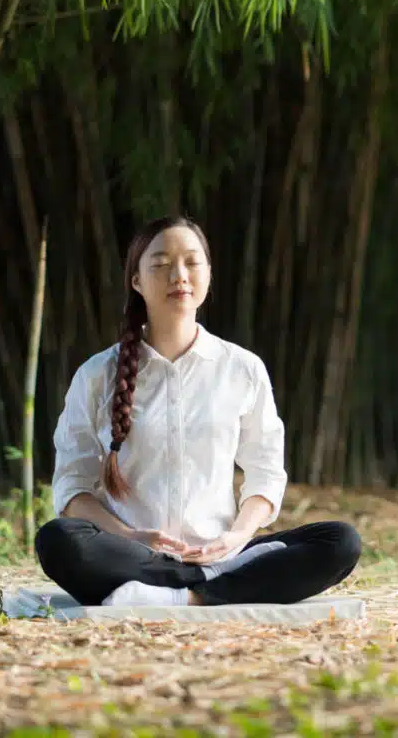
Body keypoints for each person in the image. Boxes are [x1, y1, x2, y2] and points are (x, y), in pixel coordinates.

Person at [35, 215, 362, 607]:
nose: (179, 275)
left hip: (225, 556)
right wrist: (131, 536)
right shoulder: (96, 375)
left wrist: (237, 537)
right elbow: (73, 489)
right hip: (133, 556)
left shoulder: (243, 369)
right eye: (160, 264)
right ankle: (210, 593)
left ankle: (183, 597)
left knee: (340, 541)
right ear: (136, 281)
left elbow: (266, 474)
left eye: (192, 262)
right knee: (58, 540)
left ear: (208, 274)